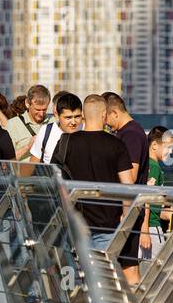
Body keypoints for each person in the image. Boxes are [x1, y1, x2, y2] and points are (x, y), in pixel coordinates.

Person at [54, 94, 134, 252]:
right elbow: (128, 185)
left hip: (75, 223)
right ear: (104, 114)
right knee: (104, 274)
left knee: (78, 273)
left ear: (83, 115)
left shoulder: (66, 142)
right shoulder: (117, 144)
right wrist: (126, 217)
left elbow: (56, 180)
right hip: (108, 224)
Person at [104, 93, 150, 284]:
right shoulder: (129, 132)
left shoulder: (130, 135)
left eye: (105, 118)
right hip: (128, 209)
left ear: (114, 112)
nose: (105, 124)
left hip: (128, 211)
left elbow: (129, 176)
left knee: (128, 269)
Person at [141, 126, 173, 261]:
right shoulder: (153, 167)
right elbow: (146, 198)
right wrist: (145, 231)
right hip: (152, 227)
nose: (171, 151)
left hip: (150, 226)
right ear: (154, 145)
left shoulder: (150, 165)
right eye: (168, 147)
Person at [29, 92, 83, 165]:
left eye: (77, 117)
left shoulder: (86, 130)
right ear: (57, 115)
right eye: (68, 117)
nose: (73, 122)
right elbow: (33, 165)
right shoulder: (45, 131)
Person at [6, 85, 54, 161]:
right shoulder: (12, 124)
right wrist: (28, 146)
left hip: (49, 172)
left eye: (44, 109)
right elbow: (6, 161)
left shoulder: (54, 122)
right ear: (27, 104)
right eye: (37, 109)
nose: (41, 114)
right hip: (22, 172)